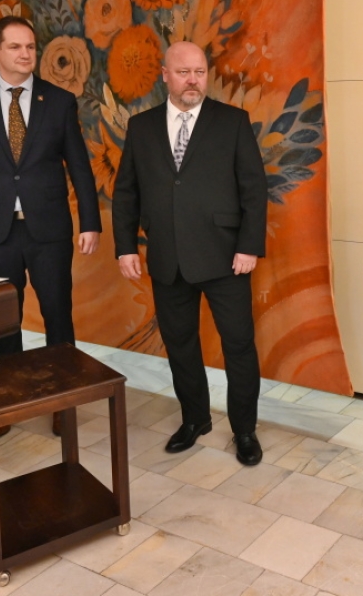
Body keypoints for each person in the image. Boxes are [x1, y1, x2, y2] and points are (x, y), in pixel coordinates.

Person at [112, 41, 268, 466]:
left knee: (239, 346)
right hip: (167, 258)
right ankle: (195, 419)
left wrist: (249, 246)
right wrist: (125, 247)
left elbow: (254, 189)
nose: (193, 80)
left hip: (226, 258)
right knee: (180, 345)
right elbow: (126, 193)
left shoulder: (232, 122)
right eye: (184, 72)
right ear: (165, 75)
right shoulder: (141, 127)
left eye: (199, 72)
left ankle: (245, 429)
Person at [0, 16, 101, 437]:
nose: (26, 54)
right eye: (15, 47)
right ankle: (8, 403)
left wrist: (90, 222)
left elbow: (80, 166)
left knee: (58, 315)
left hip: (49, 229)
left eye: (31, 46)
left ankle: (63, 403)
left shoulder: (59, 100)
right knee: (3, 320)